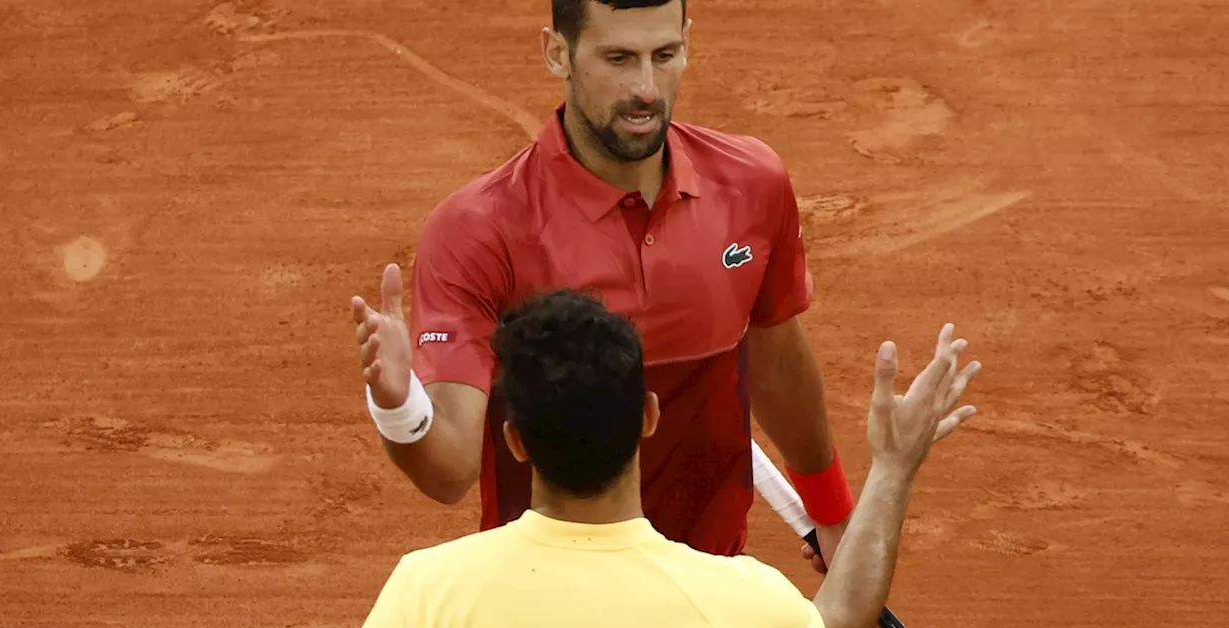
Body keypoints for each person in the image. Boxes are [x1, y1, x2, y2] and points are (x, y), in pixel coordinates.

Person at [349, 0, 982, 564]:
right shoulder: (479, 230)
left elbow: (775, 363)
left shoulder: (752, 183)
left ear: (688, 40)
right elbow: (450, 471)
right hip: (551, 596)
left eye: (665, 54)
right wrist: (399, 403)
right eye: (619, 58)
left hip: (706, 587)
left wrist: (831, 510)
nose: (646, 88)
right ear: (557, 54)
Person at [341, 289, 980, 628]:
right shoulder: (741, 602)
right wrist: (893, 468)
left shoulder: (425, 591)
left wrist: (401, 408)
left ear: (513, 442)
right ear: (648, 416)